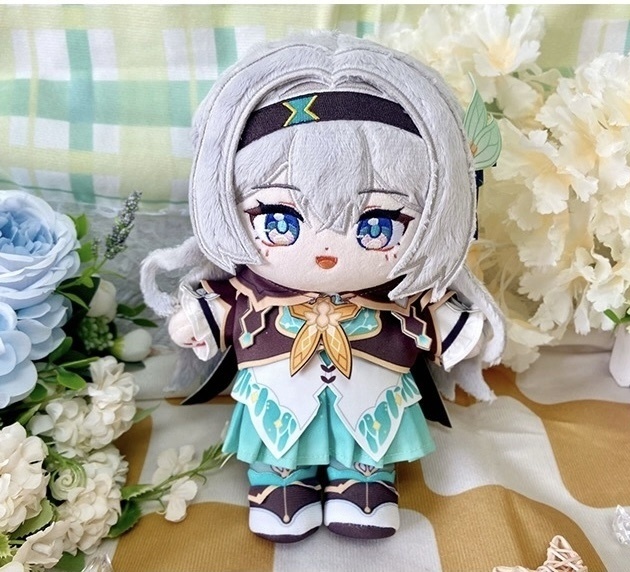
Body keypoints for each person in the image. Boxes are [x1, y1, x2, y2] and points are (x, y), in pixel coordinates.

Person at [141, 31, 505, 543]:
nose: (327, 250)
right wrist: (197, 320)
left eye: (377, 224)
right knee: (278, 438)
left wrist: (463, 331)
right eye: (279, 220)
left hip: (372, 391)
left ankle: (362, 486)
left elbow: (434, 315)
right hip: (278, 390)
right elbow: (223, 305)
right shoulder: (255, 291)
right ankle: (280, 486)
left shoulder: (396, 297)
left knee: (369, 439)